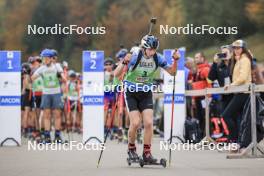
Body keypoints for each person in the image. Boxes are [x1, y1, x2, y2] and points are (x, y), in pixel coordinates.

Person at [114, 34, 180, 163]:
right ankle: (131, 149)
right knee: (136, 123)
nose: (152, 52)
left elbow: (172, 73)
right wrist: (124, 62)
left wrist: (176, 61)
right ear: (143, 48)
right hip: (131, 92)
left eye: (154, 49)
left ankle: (147, 153)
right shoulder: (134, 56)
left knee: (149, 123)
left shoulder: (157, 57)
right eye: (150, 49)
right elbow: (116, 74)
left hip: (146, 93)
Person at [31, 49, 66, 143]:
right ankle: (47, 136)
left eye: (47, 58)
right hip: (46, 93)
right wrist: (37, 75)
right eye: (43, 58)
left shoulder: (57, 66)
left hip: (56, 93)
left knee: (57, 114)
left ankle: (57, 135)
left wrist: (61, 76)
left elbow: (64, 79)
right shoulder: (42, 68)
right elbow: (33, 77)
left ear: (51, 58)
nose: (45, 60)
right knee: (47, 114)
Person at [221, 39, 252, 143]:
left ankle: (235, 139)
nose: (236, 50)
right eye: (234, 48)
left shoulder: (244, 60)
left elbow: (243, 77)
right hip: (240, 92)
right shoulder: (239, 60)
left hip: (244, 92)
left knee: (226, 115)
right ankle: (239, 141)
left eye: (238, 48)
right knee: (239, 118)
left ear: (243, 48)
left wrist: (231, 85)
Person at [192, 52, 211, 137]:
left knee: (205, 117)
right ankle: (201, 136)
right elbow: (194, 85)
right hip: (197, 97)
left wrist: (209, 97)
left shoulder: (206, 69)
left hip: (204, 97)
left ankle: (206, 136)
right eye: (195, 58)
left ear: (202, 58)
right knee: (199, 118)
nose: (196, 59)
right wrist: (193, 98)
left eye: (197, 57)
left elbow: (210, 83)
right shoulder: (196, 70)